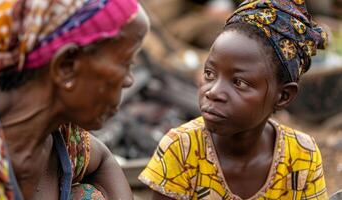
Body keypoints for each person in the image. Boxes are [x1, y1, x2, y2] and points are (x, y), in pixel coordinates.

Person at [139, 0, 328, 199]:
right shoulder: (182, 149)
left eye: (238, 82)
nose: (213, 92)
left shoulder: (301, 154)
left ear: (283, 96)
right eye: (210, 74)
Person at [0, 0, 149, 199]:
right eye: (125, 63)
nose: (129, 81)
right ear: (66, 66)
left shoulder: (58, 136)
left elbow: (104, 159)